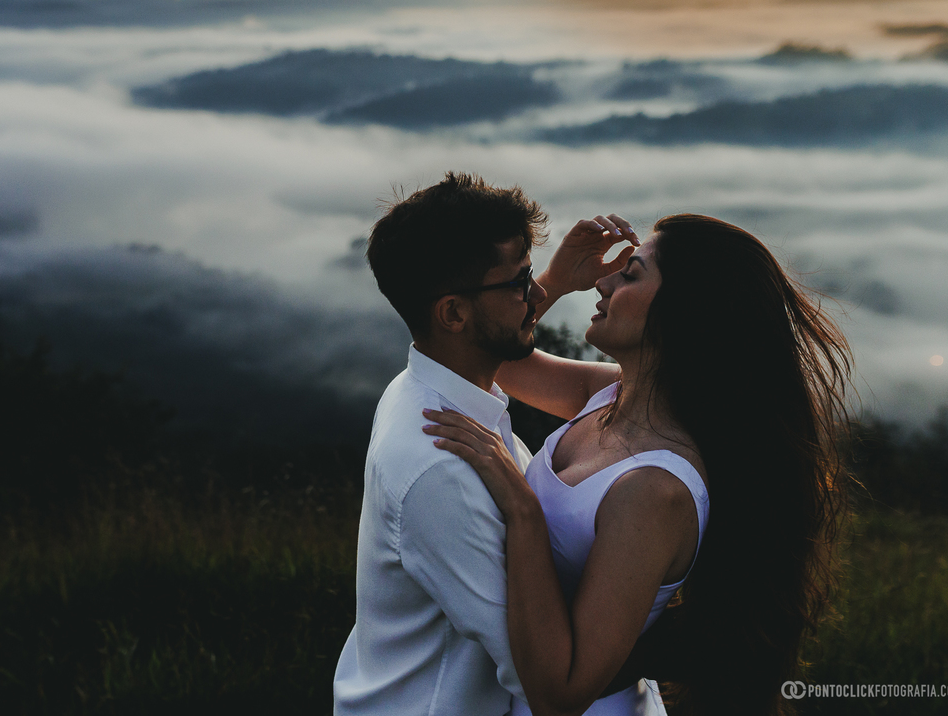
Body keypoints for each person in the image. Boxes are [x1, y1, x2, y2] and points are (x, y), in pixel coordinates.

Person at [424, 213, 852, 716]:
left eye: (630, 275)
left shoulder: (653, 489)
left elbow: (561, 693)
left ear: (685, 310)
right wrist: (553, 282)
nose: (603, 282)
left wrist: (521, 508)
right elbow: (493, 351)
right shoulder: (608, 394)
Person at [333, 174, 669, 716]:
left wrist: (555, 279)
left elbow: (520, 360)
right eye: (519, 281)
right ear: (454, 314)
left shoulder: (435, 388)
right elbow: (539, 669)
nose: (535, 293)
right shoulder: (441, 467)